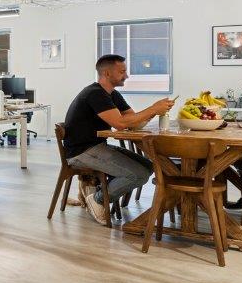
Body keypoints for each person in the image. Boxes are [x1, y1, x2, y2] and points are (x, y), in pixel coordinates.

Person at [63, 54, 176, 225]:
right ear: (107, 73)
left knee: (148, 166)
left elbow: (133, 120)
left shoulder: (112, 94)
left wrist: (155, 111)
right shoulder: (95, 94)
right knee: (138, 175)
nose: (127, 76)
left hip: (97, 146)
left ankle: (96, 190)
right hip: (81, 152)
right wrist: (153, 108)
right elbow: (121, 124)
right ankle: (97, 199)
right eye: (122, 72)